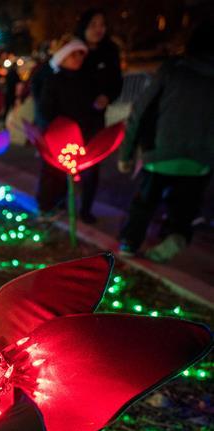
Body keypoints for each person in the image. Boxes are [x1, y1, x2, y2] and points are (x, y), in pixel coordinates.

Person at [117, 20, 214, 262]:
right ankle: (177, 235)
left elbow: (141, 110)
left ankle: (130, 243)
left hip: (161, 152)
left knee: (146, 202)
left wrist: (126, 153)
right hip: (200, 159)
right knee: (185, 206)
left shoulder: (172, 69)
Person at [36, 39, 101, 219]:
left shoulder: (86, 81)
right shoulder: (53, 80)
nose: (78, 58)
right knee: (52, 172)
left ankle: (62, 204)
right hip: (58, 135)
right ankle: (46, 207)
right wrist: (54, 128)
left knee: (72, 174)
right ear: (63, 57)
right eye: (74, 54)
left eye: (81, 54)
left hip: (81, 135)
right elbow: (45, 107)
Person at [74, 8, 123, 223]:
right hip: (70, 117)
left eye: (102, 24)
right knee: (63, 163)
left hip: (95, 119)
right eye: (93, 24)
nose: (98, 29)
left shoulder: (110, 50)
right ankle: (54, 203)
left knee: (91, 166)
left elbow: (116, 81)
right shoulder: (74, 48)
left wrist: (107, 96)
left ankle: (85, 209)